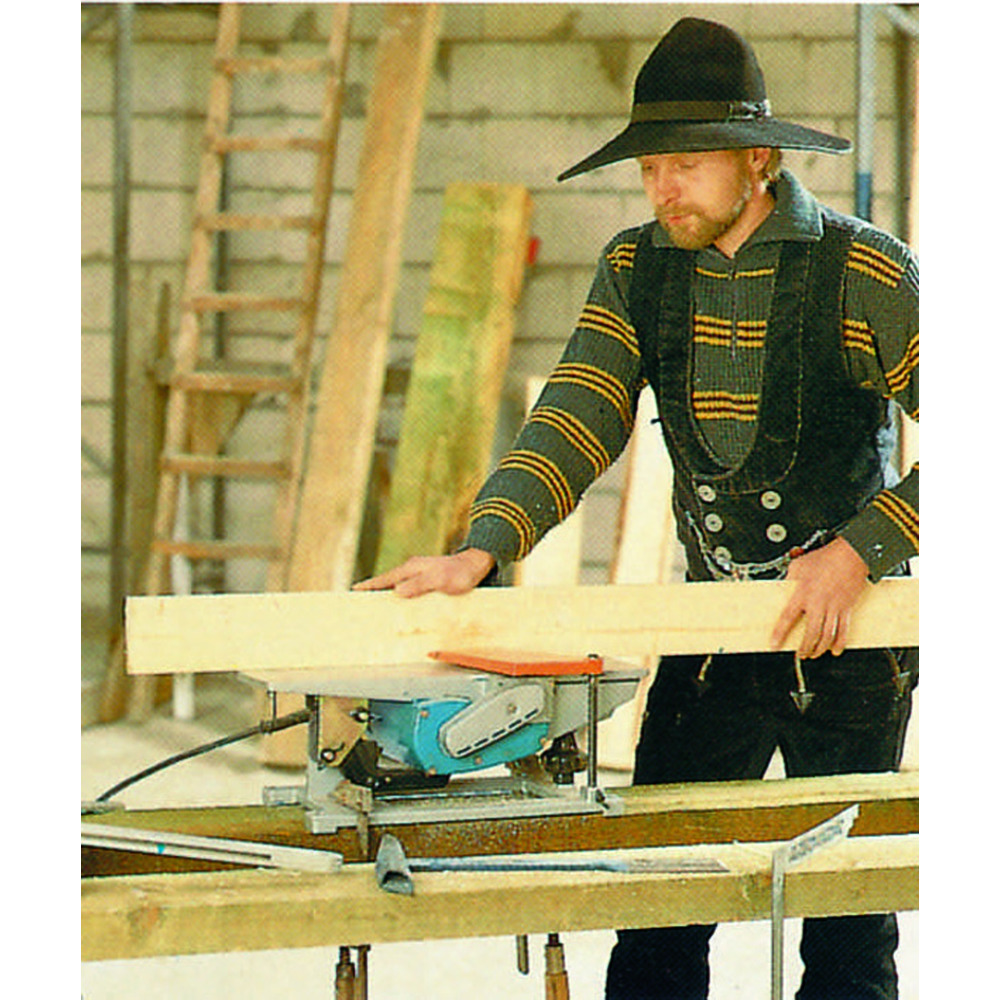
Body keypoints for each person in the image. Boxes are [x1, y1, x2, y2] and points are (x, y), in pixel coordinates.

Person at [357, 17, 917, 1000]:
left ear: (756, 159)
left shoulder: (865, 271)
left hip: (852, 637)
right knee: (657, 912)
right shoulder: (637, 269)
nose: (663, 188)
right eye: (651, 166)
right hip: (709, 635)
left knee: (847, 930)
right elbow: (575, 415)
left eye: (686, 165)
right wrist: (482, 547)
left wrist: (862, 549)